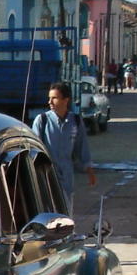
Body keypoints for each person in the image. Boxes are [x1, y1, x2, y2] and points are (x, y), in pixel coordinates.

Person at [30, 83, 96, 214]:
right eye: (49, 98)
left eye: (54, 98)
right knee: (47, 218)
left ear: (66, 100)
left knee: (66, 216)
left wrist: (89, 169)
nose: (50, 102)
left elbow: (82, 147)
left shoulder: (75, 121)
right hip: (46, 178)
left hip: (66, 178)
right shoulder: (42, 121)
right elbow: (33, 150)